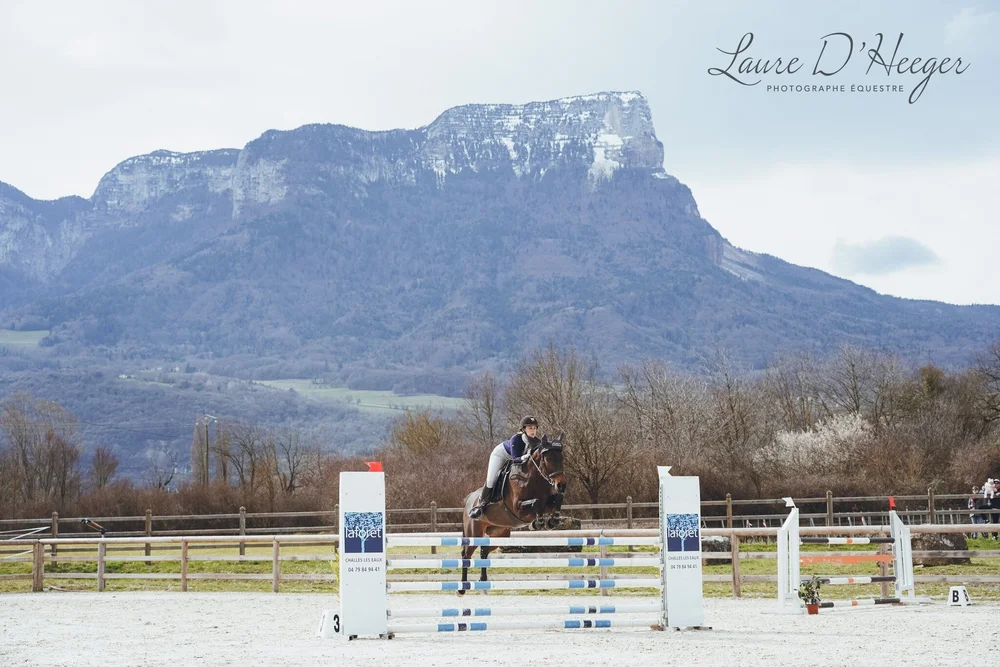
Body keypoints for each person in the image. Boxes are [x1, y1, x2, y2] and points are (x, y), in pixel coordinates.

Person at [467, 416, 540, 519]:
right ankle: (480, 505)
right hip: (501, 455)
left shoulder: (537, 442)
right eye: (530, 428)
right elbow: (515, 458)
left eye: (534, 428)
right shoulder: (516, 439)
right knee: (491, 480)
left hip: (519, 459)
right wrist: (525, 457)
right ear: (523, 429)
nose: (533, 431)